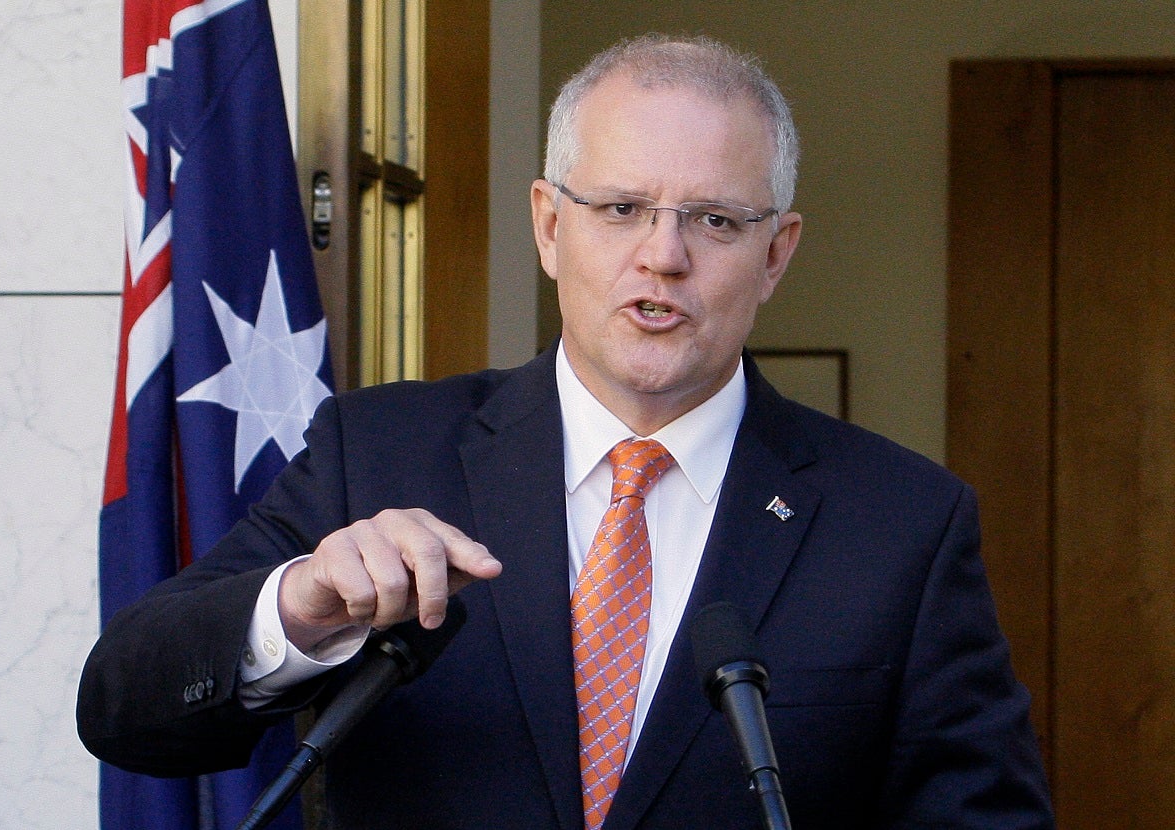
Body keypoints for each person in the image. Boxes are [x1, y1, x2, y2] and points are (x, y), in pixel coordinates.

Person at [78, 34, 1054, 829]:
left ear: (775, 253)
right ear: (549, 226)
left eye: (713, 220)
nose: (662, 256)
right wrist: (300, 604)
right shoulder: (377, 454)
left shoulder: (903, 524)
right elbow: (124, 703)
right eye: (622, 208)